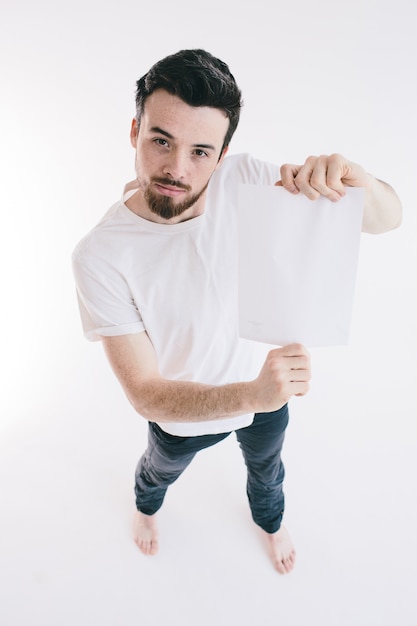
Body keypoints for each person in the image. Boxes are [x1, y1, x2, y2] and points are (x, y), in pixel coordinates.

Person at [72, 49, 402, 574]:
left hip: (265, 396)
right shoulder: (102, 253)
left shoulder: (249, 181)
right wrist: (252, 394)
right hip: (184, 417)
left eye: (201, 151)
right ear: (134, 130)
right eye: (162, 140)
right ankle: (146, 510)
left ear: (224, 155)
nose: (177, 169)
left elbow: (388, 218)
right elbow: (144, 392)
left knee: (268, 474)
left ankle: (269, 524)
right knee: (156, 474)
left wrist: (355, 178)